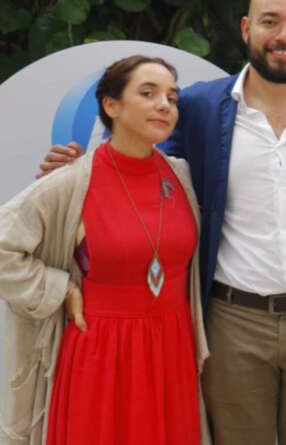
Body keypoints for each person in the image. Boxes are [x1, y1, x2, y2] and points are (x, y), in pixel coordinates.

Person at [37, 0, 286, 445]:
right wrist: (76, 172)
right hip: (232, 323)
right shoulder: (200, 106)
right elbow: (138, 165)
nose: (283, 36)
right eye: (270, 22)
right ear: (247, 28)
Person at [0, 56, 209, 445]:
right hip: (101, 354)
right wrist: (60, 289)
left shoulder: (182, 176)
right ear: (111, 105)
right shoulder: (70, 182)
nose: (164, 105)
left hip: (172, 350)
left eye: (172, 97)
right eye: (148, 93)